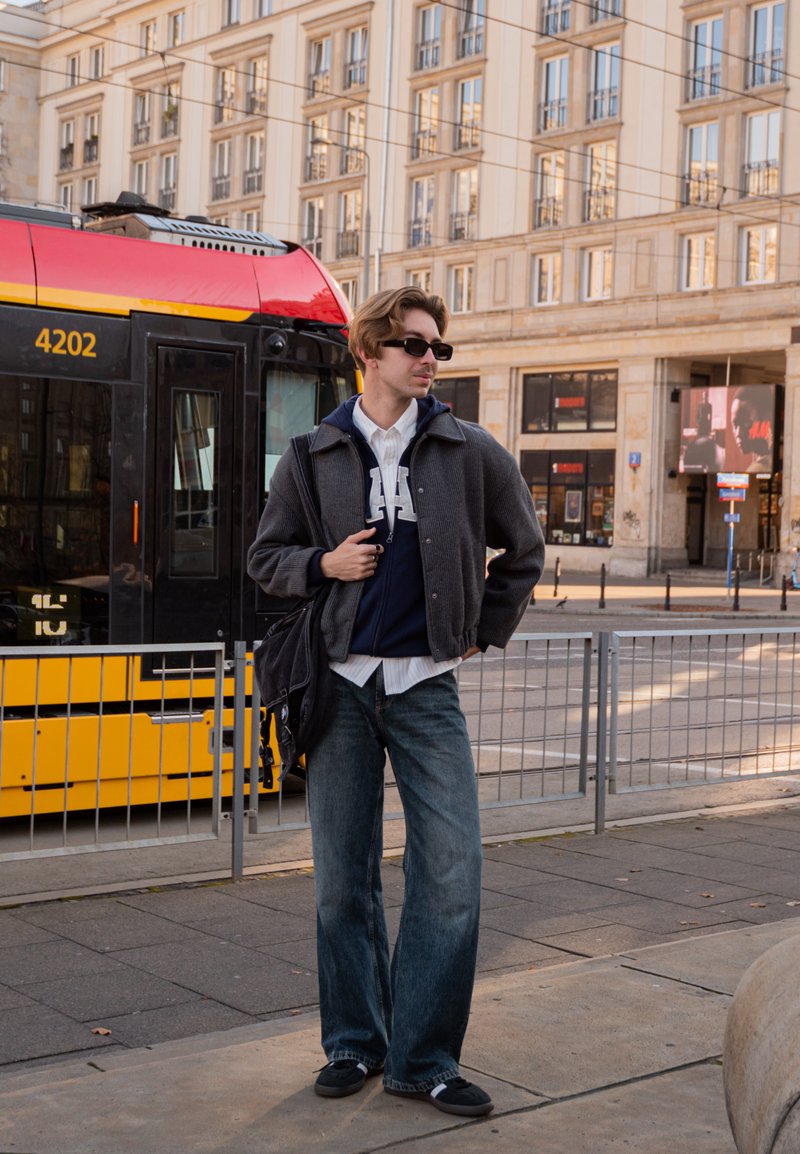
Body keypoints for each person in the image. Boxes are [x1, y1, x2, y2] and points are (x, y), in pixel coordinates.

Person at [247, 286, 544, 1118]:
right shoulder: (312, 454)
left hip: (425, 690)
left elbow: (524, 548)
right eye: (416, 345)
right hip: (339, 688)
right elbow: (265, 557)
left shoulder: (467, 449)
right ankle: (354, 1043)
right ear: (370, 351)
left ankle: (424, 1059)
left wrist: (486, 625)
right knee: (342, 883)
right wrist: (322, 567)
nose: (430, 361)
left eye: (439, 349)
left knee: (451, 873)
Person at [729, 385, 774, 473]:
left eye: (746, 423)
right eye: (734, 425)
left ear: (766, 419)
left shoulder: (759, 469)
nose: (738, 433)